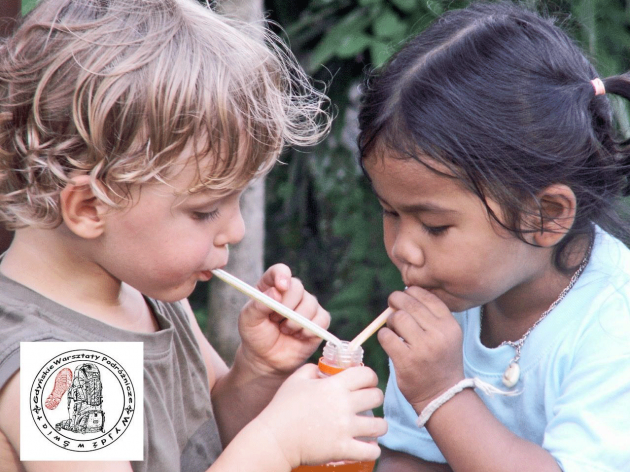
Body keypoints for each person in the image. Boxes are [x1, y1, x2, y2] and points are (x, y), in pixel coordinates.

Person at [0, 0, 387, 471]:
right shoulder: (61, 369)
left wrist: (256, 372)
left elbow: (208, 439)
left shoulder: (148, 291)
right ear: (88, 207)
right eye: (205, 210)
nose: (237, 230)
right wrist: (278, 444)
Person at [356, 2, 630, 471]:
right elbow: (407, 456)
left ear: (545, 216)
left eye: (435, 225)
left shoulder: (613, 324)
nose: (403, 247)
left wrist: (442, 393)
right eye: (390, 212)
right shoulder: (453, 302)